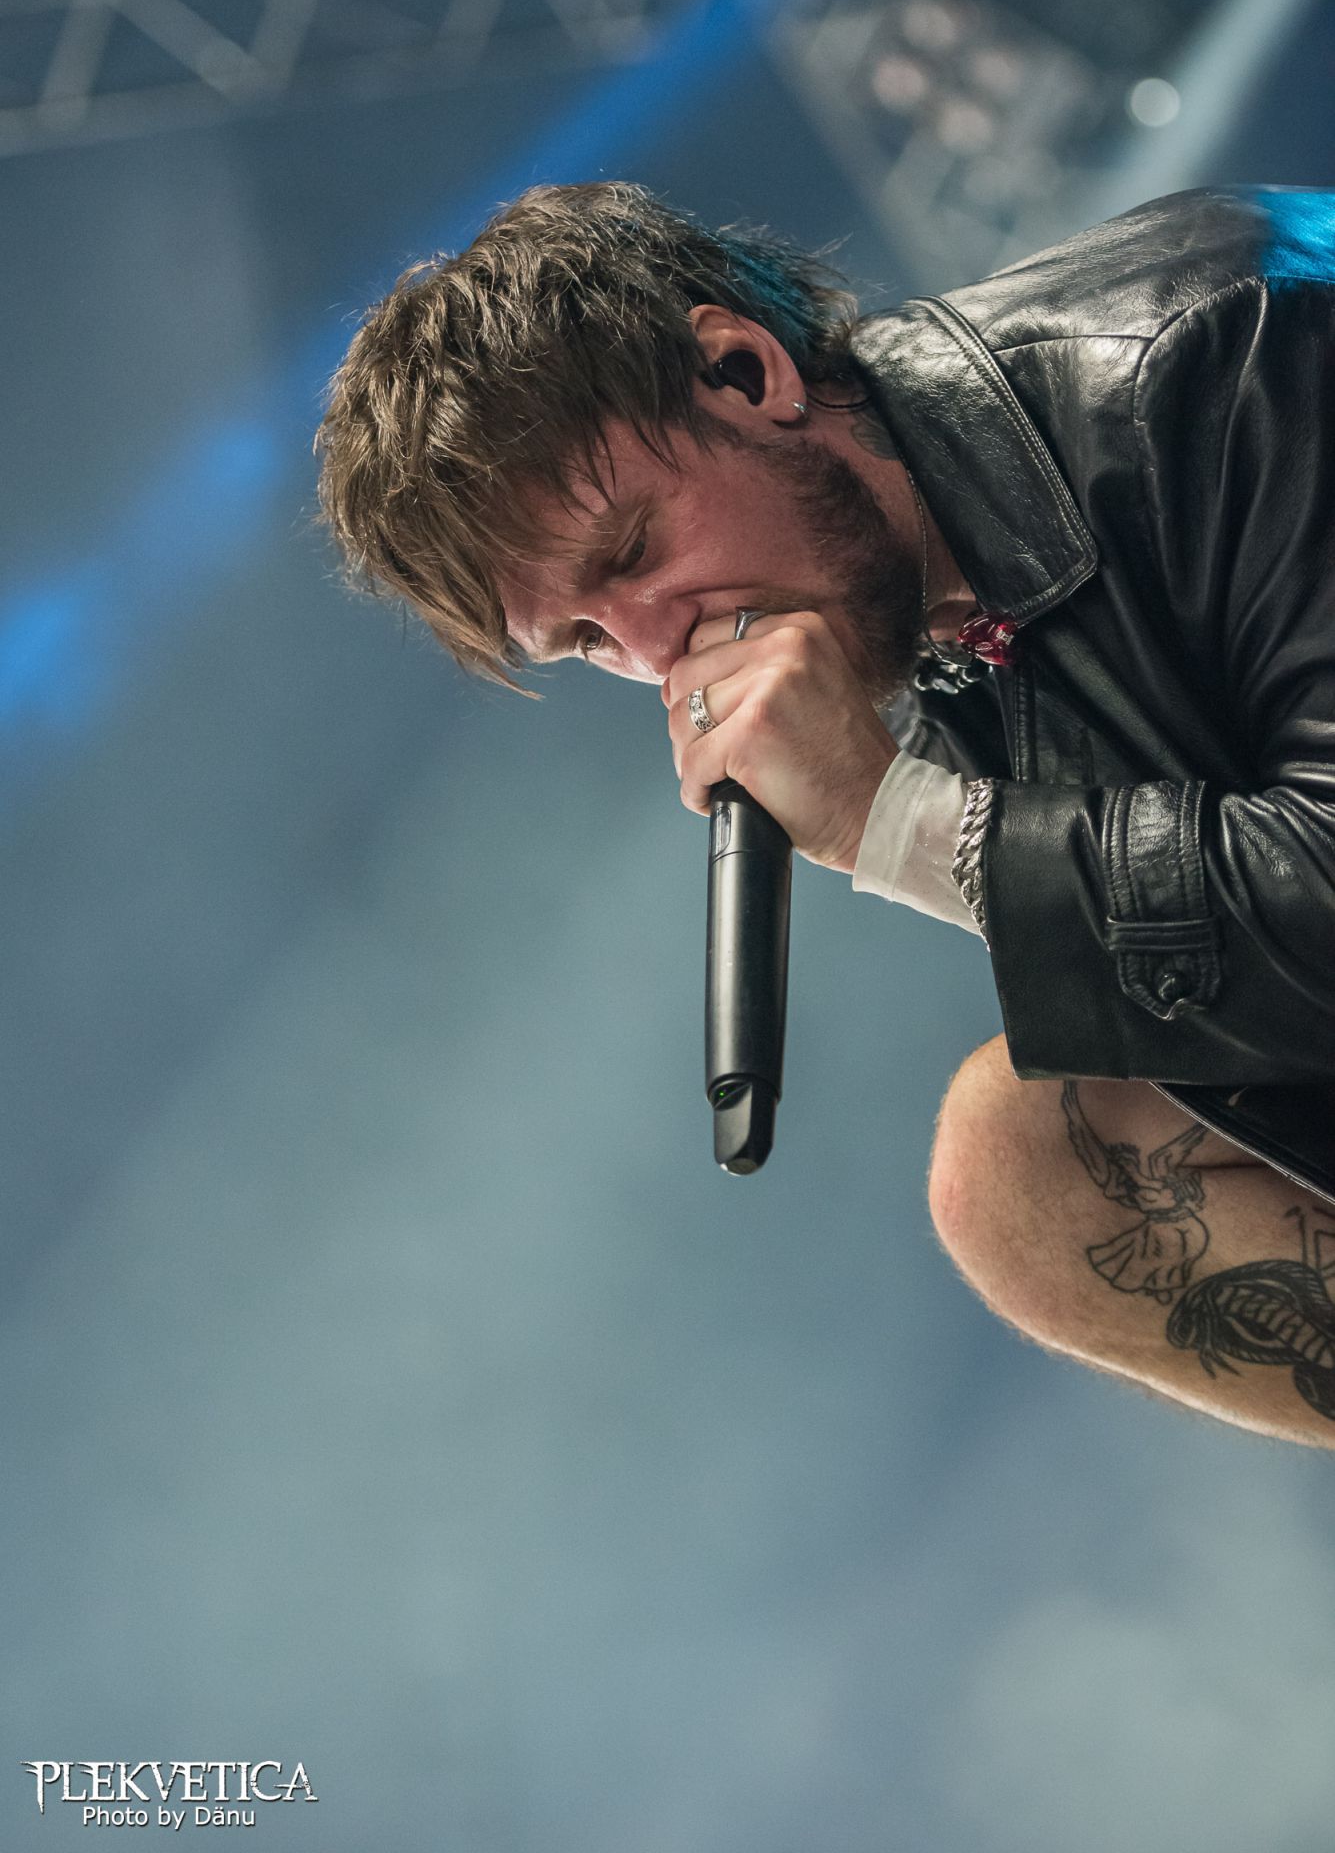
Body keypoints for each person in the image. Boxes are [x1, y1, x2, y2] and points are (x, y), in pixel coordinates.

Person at [315, 179, 1335, 1448]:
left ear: (747, 373)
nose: (658, 650)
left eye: (633, 552)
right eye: (585, 639)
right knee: (1022, 1174)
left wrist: (894, 820)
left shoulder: (1223, 356)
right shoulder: (929, 619)